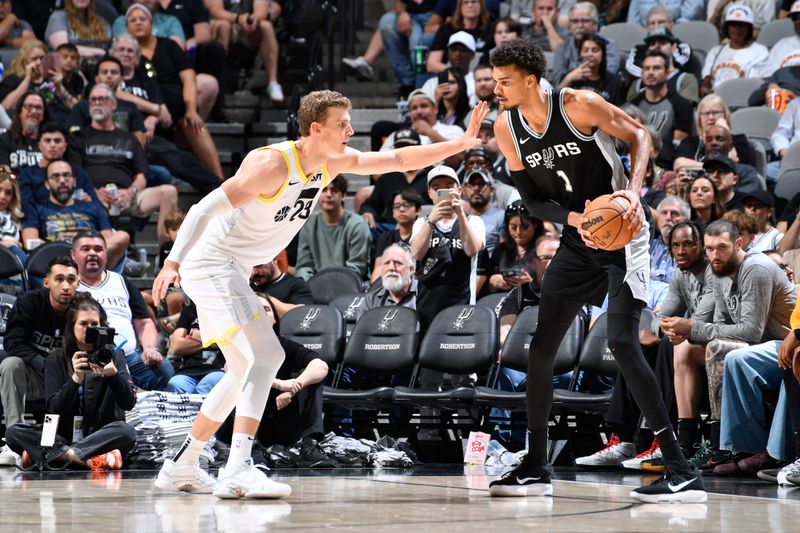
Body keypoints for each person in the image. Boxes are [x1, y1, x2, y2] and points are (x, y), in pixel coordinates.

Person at [150, 89, 487, 499]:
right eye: (342, 124)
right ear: (316, 128)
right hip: (211, 261)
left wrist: (461, 143)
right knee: (269, 356)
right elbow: (203, 208)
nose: (350, 130)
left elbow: (397, 160)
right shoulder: (271, 163)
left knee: (242, 371)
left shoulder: (328, 164)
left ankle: (182, 463)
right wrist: (172, 262)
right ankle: (237, 468)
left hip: (232, 268)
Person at [487, 38, 706, 502]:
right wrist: (575, 221)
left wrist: (634, 192)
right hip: (577, 236)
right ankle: (536, 465)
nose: (497, 88)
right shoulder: (506, 127)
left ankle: (681, 467)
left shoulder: (579, 105)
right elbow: (530, 198)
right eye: (494, 80)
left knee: (624, 342)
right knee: (542, 346)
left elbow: (641, 136)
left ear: (530, 80)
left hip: (625, 232)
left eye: (505, 81)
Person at [661, 220, 796, 469]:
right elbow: (722, 323)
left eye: (721, 247)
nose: (714, 255)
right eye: (709, 249)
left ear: (738, 244)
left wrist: (692, 328)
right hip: (759, 346)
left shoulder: (756, 268)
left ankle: (722, 442)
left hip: (787, 344)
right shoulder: (718, 272)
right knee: (685, 349)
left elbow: (751, 332)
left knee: (719, 350)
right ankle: (687, 437)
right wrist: (682, 333)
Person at [4, 293, 137, 471]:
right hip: (63, 435)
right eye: (83, 324)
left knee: (127, 432)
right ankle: (87, 460)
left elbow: (128, 403)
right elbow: (54, 408)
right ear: (72, 327)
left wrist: (113, 375)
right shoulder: (56, 358)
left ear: (102, 326)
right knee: (13, 433)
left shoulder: (114, 356)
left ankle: (54, 457)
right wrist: (75, 380)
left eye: (94, 324)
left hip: (99, 434)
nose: (89, 329)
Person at [71, 83, 179, 245]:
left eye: (102, 99)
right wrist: (94, 192)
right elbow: (76, 174)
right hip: (94, 196)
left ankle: (165, 254)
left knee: (169, 192)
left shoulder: (129, 138)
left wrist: (131, 192)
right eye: (93, 100)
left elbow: (141, 176)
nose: (97, 103)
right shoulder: (80, 137)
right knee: (82, 198)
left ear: (114, 105)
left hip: (126, 196)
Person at [0, 257, 80, 466]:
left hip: (69, 378)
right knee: (10, 364)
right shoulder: (30, 302)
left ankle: (77, 441)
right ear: (46, 282)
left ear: (78, 282)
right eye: (59, 279)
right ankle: (12, 440)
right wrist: (42, 363)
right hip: (36, 374)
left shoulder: (84, 308)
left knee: (52, 440)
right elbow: (12, 342)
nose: (65, 286)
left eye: (71, 280)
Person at [72, 230, 174, 391]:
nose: (92, 253)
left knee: (163, 368)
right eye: (86, 249)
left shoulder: (120, 282)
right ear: (73, 255)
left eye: (98, 249)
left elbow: (145, 322)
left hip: (130, 358)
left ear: (106, 254)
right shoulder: (70, 287)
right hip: (88, 360)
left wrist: (149, 348)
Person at [410, 165, 486, 329]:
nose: (443, 192)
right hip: (425, 307)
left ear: (459, 190)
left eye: (449, 187)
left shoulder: (474, 221)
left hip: (461, 305)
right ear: (430, 194)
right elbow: (416, 253)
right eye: (437, 188)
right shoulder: (421, 223)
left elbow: (472, 250)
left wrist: (460, 215)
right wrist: (431, 220)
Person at [21, 160, 129, 267]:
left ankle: (83, 262)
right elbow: (30, 242)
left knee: (122, 236)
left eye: (66, 175)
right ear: (47, 184)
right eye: (55, 176)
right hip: (58, 262)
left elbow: (106, 240)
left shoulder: (93, 206)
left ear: (74, 181)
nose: (62, 180)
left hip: (91, 260)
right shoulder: (36, 209)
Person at [294, 175, 372, 281]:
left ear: (343, 195)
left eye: (334, 190)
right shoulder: (309, 227)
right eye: (324, 190)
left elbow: (356, 268)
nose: (328, 195)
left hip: (349, 286)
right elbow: (304, 266)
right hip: (316, 286)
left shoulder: (358, 225)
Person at [206, 0, 284, 103]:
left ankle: (273, 83)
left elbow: (261, 10)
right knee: (224, 26)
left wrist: (253, 18)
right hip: (221, 21)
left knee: (266, 26)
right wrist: (238, 18)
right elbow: (216, 11)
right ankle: (217, 83)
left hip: (245, 24)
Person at [630, 50, 693, 169]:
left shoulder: (682, 105)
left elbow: (678, 145)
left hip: (667, 164)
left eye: (656, 68)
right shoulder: (633, 105)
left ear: (667, 73)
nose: (651, 72)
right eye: (647, 68)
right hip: (635, 162)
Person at [701, 5, 768, 97]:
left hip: (743, 99)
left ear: (748, 28)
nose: (737, 28)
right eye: (733, 24)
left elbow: (759, 83)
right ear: (727, 28)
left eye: (741, 25)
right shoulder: (715, 51)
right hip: (716, 99)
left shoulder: (760, 51)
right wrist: (704, 88)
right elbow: (707, 78)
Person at [551, 2, 620, 86]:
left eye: (585, 21)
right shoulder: (562, 48)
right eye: (575, 21)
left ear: (595, 24)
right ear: (569, 25)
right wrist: (571, 77)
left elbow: (609, 78)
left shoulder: (608, 45)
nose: (580, 25)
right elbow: (557, 81)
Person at [370, 189, 425, 283]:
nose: (401, 209)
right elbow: (379, 269)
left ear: (418, 210)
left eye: (406, 205)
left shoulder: (424, 237)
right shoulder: (385, 237)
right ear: (393, 212)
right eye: (397, 206)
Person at [558, 34, 622, 105]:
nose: (590, 54)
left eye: (595, 50)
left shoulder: (613, 81)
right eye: (585, 50)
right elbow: (554, 101)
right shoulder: (570, 76)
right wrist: (569, 78)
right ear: (579, 54)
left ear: (603, 54)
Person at [250, 258, 314, 318]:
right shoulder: (249, 288)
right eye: (249, 269)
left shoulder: (296, 284)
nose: (254, 273)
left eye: (258, 265)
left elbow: (304, 313)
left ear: (274, 258)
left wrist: (265, 299)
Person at [44, 0, 111, 59]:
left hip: (100, 68)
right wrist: (100, 52)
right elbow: (63, 49)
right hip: (69, 67)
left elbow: (112, 47)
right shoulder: (58, 18)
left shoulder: (101, 22)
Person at [0, 91, 47, 170]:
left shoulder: (50, 140)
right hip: (14, 181)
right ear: (20, 112)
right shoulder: (5, 139)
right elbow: (4, 174)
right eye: (29, 107)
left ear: (43, 115)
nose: (33, 111)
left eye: (38, 108)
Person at [650, 195, 690, 283]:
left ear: (686, 221)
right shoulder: (648, 246)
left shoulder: (691, 251)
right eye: (664, 213)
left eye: (674, 213)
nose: (668, 218)